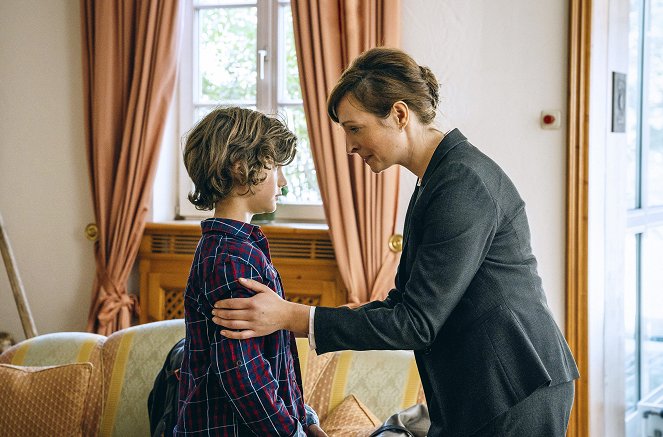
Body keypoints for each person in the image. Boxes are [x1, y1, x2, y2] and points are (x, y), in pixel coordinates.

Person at [211, 48, 580, 437]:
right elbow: (403, 304)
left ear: (400, 115)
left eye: (355, 128)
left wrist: (293, 317)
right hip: (482, 387)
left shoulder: (462, 184)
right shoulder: (436, 180)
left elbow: (417, 323)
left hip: (514, 386)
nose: (349, 147)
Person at [174, 107, 326, 437]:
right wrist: (292, 433)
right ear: (241, 168)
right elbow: (241, 372)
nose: (283, 181)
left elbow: (275, 359)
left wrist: (305, 418)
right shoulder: (232, 259)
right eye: (276, 168)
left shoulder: (236, 249)